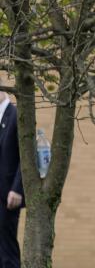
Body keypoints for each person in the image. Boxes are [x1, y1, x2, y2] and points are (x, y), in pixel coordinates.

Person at [0, 92, 22, 268]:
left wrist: (17, 189)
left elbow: (27, 157)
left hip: (7, 197)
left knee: (6, 250)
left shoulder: (16, 115)